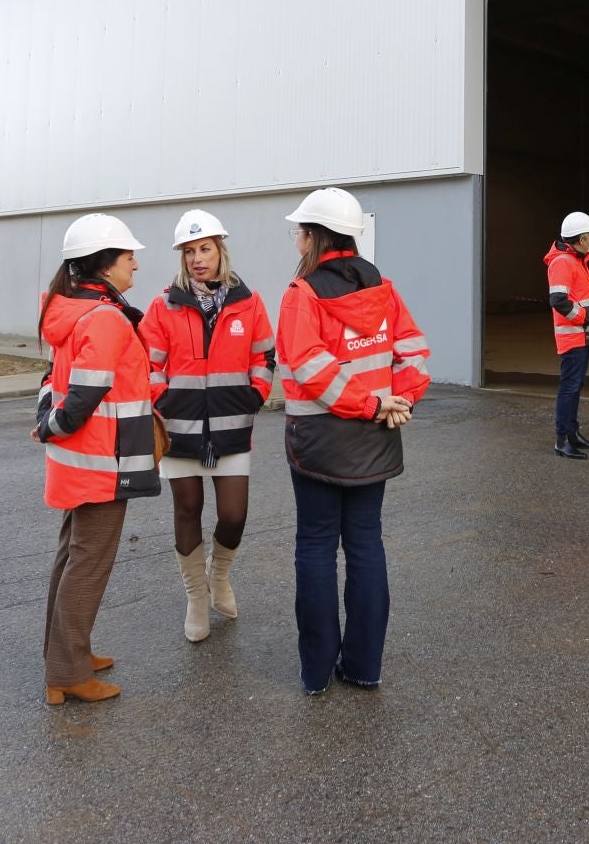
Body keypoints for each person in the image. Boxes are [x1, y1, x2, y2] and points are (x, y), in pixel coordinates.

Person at [277, 186, 432, 694]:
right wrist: (396, 402)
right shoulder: (383, 288)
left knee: (316, 546)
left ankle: (317, 672)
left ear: (311, 237)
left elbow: (310, 367)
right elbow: (413, 353)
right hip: (375, 439)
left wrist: (373, 403)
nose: (297, 239)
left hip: (318, 443)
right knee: (366, 544)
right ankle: (364, 667)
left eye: (299, 231)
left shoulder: (302, 294)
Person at [33, 213, 160, 705]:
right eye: (130, 257)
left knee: (72, 556)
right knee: (88, 563)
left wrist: (48, 423)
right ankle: (67, 673)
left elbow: (51, 381)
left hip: (79, 460)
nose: (136, 266)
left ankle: (67, 654)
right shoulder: (105, 317)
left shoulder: (72, 310)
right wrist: (53, 425)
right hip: (104, 461)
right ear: (106, 264)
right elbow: (85, 394)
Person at [140, 209, 274, 644]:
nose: (198, 258)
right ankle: (196, 598)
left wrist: (255, 395)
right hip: (178, 428)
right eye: (189, 251)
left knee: (234, 515)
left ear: (220, 250)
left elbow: (264, 356)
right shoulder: (163, 306)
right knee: (188, 510)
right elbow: (148, 365)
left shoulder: (249, 303)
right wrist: (164, 401)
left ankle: (220, 577)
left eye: (205, 249)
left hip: (232, 426)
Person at [545, 210, 589, 459]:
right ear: (581, 239)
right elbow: (558, 300)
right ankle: (562, 440)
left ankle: (572, 433)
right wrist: (583, 318)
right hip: (573, 336)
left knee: (575, 385)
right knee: (569, 387)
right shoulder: (563, 262)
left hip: (581, 335)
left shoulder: (575, 259)